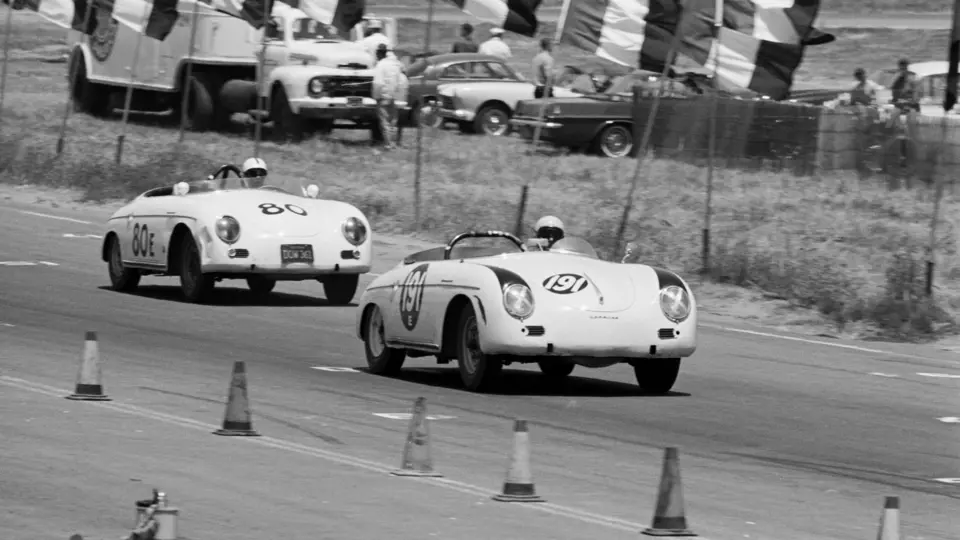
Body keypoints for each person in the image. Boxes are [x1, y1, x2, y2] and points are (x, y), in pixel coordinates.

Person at [372, 43, 409, 150]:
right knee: (393, 121)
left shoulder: (380, 65)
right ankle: (394, 143)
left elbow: (378, 83)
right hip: (392, 96)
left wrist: (375, 96)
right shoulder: (394, 64)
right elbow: (401, 78)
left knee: (385, 122)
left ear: (379, 54)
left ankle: (388, 144)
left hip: (383, 96)